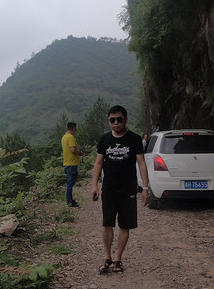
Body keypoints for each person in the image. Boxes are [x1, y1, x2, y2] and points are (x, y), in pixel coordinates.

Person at [90, 105, 149, 274]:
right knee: (107, 223)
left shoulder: (134, 139)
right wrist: (94, 185)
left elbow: (141, 163)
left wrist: (145, 188)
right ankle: (107, 257)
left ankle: (118, 258)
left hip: (128, 189)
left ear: (125, 119)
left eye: (119, 119)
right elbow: (99, 163)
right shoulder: (105, 139)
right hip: (109, 188)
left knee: (125, 225)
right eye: (112, 120)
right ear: (109, 121)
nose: (116, 123)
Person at [61, 121, 84, 207]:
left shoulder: (64, 137)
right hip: (71, 163)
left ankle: (69, 200)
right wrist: (80, 152)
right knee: (70, 183)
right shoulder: (70, 137)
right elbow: (73, 150)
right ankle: (69, 202)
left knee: (69, 183)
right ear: (74, 128)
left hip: (67, 163)